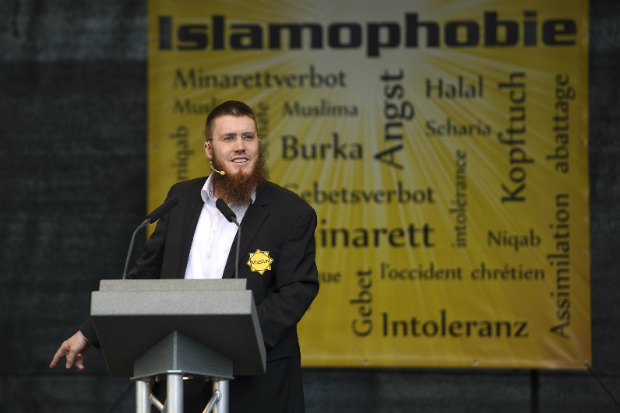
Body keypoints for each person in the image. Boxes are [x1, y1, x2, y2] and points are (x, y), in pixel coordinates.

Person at [50, 100, 320, 413]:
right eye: (228, 138)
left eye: (248, 137)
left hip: (256, 381)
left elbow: (297, 290)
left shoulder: (291, 213)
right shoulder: (181, 198)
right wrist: (88, 332)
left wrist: (234, 336)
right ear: (209, 149)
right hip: (179, 375)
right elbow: (145, 276)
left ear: (258, 144)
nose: (240, 147)